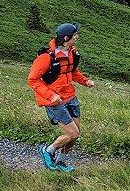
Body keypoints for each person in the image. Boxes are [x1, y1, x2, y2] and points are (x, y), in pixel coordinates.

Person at [27, 22, 94, 172]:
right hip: (55, 102)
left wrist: (85, 81)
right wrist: (51, 96)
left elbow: (72, 71)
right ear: (66, 38)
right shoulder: (46, 58)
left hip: (70, 96)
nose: (77, 37)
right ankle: (48, 150)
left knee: (75, 135)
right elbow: (32, 80)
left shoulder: (71, 52)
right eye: (75, 35)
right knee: (73, 133)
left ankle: (60, 161)